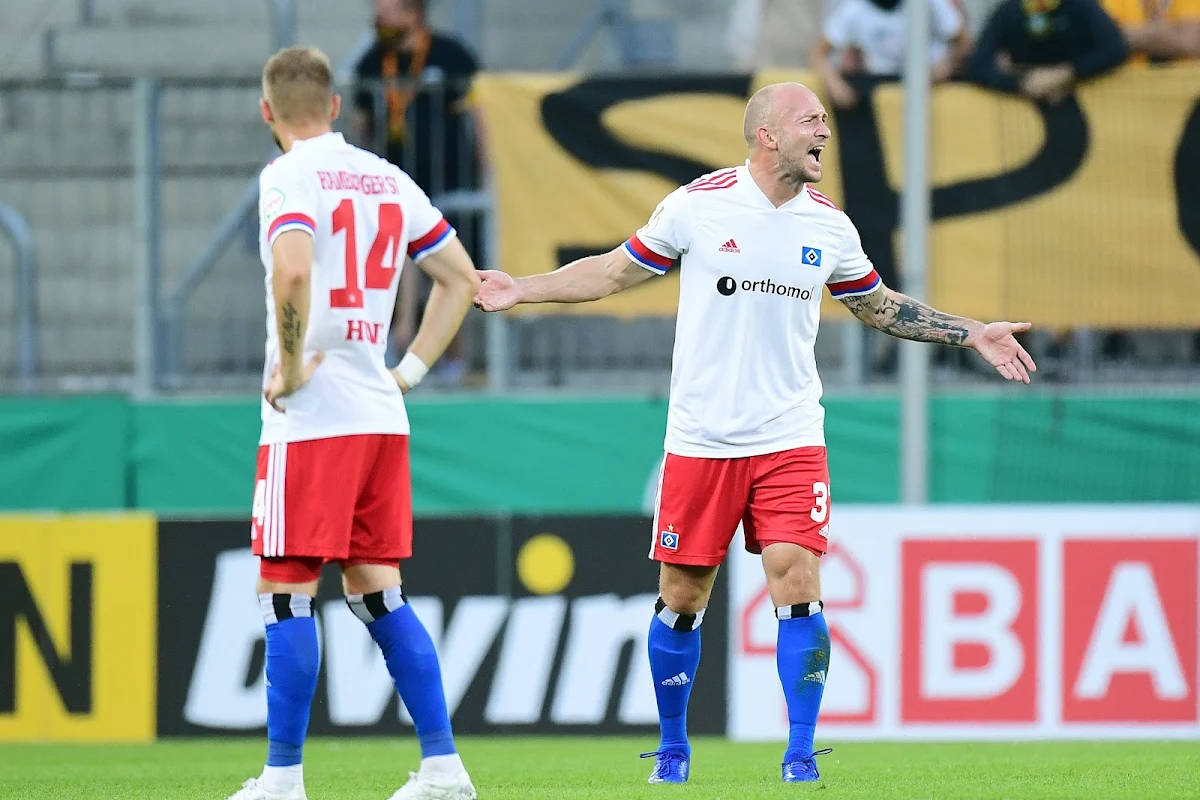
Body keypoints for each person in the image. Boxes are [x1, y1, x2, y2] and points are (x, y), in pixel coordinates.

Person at [473, 82, 1037, 785]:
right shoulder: (698, 206)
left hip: (789, 435)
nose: (825, 132)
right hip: (703, 438)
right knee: (683, 596)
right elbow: (613, 272)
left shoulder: (830, 226)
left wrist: (970, 332)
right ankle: (673, 749)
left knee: (798, 580)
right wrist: (522, 288)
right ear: (767, 134)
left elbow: (879, 306)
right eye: (811, 121)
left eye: (826, 121)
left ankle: (800, 754)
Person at [227, 46, 481, 800]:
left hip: (312, 419)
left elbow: (296, 269)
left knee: (285, 589)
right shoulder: (387, 177)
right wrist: (409, 371)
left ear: (268, 111)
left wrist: (297, 362)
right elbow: (460, 277)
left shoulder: (286, 176)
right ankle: (443, 767)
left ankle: (282, 778)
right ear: (336, 106)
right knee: (377, 592)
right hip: (380, 413)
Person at [353, 0, 487, 386]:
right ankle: (402, 350)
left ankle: (453, 362)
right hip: (397, 183)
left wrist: (485, 171)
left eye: (387, 12)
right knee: (398, 265)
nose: (380, 19)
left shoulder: (451, 54)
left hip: (449, 182)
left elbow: (480, 116)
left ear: (413, 13)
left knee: (450, 271)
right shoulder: (372, 62)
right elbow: (362, 122)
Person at [811, 0, 972, 109]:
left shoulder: (931, 4)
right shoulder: (853, 9)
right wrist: (835, 85)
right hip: (880, 91)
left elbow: (965, 43)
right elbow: (818, 54)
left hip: (929, 91)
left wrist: (947, 64)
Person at [968, 0, 1128, 104]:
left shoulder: (1081, 5)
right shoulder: (1008, 11)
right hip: (1027, 112)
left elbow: (1115, 48)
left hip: (1085, 102)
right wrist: (1021, 82)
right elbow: (977, 67)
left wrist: (1064, 73)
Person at [1102, 0, 1200, 63]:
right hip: (1121, 87)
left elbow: (1192, 39)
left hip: (1183, 88)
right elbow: (1100, 39)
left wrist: (1126, 37)